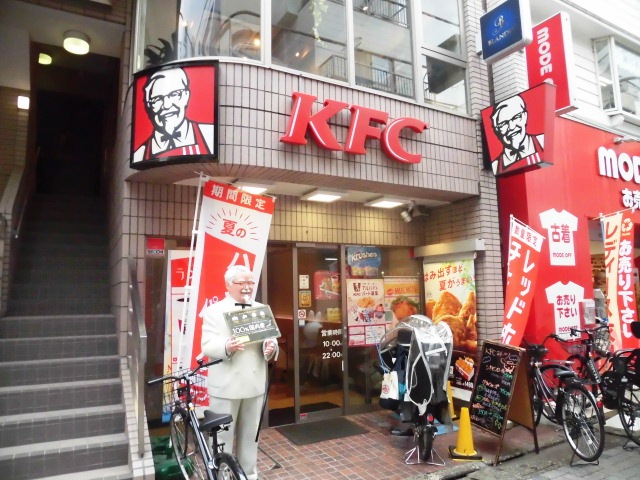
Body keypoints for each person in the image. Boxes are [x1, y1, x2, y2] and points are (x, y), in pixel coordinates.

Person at [201, 265, 278, 480]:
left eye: (250, 282)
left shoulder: (261, 309)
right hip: (225, 385)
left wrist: (271, 347)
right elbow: (207, 345)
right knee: (221, 438)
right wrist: (226, 346)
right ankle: (220, 476)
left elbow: (271, 339)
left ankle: (249, 475)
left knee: (250, 436)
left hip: (254, 383)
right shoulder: (214, 310)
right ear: (228, 285)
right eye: (241, 282)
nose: (247, 287)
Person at [133, 67, 215, 163]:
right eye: (157, 99)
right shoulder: (139, 155)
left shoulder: (209, 136)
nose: (166, 105)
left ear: (186, 96)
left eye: (174, 94)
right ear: (149, 105)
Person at [490, 94, 544, 175]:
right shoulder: (495, 166)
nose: (511, 127)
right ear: (497, 130)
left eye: (515, 118)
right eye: (503, 124)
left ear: (525, 116)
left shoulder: (544, 142)